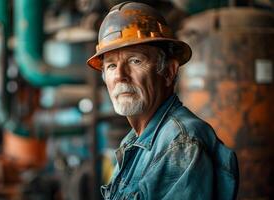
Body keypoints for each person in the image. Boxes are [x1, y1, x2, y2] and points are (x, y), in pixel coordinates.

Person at [86, 2, 239, 200]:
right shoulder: (134, 141)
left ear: (168, 72)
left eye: (135, 61)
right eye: (112, 66)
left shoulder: (181, 143)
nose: (120, 76)